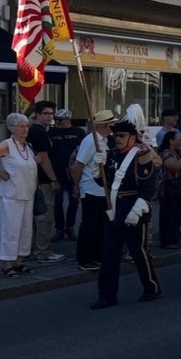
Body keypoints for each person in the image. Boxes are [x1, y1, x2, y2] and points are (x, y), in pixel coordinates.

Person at [91, 105, 162, 309]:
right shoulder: (112, 155)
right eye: (116, 135)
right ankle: (106, 295)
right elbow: (103, 185)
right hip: (114, 209)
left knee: (139, 253)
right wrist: (98, 170)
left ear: (132, 137)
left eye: (122, 135)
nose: (118, 138)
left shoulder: (142, 155)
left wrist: (138, 209)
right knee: (109, 256)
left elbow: (148, 186)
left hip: (133, 209)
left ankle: (152, 287)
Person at [0, 113, 39, 278]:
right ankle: (7, 264)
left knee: (25, 230)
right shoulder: (7, 145)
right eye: (20, 126)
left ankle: (19, 261)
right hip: (11, 195)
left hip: (27, 194)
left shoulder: (28, 146)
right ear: (11, 128)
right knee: (10, 230)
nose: (24, 129)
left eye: (26, 126)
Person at [71, 110, 118, 271]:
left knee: (101, 225)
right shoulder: (91, 141)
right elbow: (77, 166)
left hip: (102, 190)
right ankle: (85, 258)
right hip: (91, 188)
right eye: (112, 124)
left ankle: (97, 255)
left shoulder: (105, 141)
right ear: (106, 125)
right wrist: (77, 187)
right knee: (89, 225)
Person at [27, 100, 66, 263]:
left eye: (51, 114)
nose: (50, 117)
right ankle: (43, 252)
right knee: (45, 216)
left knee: (36, 216)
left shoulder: (37, 131)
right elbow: (44, 158)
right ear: (37, 115)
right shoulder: (39, 132)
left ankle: (33, 249)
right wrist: (53, 179)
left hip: (35, 180)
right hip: (43, 180)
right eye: (46, 113)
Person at [48, 108, 86, 242]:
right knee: (57, 202)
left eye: (61, 120)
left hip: (73, 172)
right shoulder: (52, 132)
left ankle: (70, 227)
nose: (59, 122)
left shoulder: (78, 132)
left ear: (68, 119)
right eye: (57, 120)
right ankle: (59, 228)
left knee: (74, 200)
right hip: (57, 171)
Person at [158, 131, 181, 249]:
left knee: (177, 215)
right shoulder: (166, 154)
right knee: (168, 215)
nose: (179, 142)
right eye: (177, 139)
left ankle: (175, 238)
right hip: (168, 189)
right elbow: (174, 166)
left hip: (178, 189)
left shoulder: (178, 153)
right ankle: (167, 240)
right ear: (171, 141)